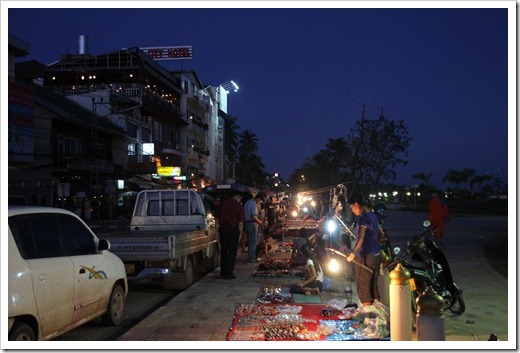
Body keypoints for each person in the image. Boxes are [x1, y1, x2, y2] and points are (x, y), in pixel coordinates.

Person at [347, 192, 384, 307]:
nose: (352, 210)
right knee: (373, 287)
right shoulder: (373, 216)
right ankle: (378, 317)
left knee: (364, 289)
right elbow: (381, 233)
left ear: (357, 204)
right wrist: (374, 244)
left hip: (365, 257)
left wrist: (353, 253)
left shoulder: (363, 219)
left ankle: (369, 319)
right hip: (376, 255)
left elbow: (361, 238)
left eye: (352, 207)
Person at [215, 192, 245, 280]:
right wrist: (239, 235)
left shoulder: (222, 204)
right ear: (237, 197)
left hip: (223, 229)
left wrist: (217, 232)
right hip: (233, 229)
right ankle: (229, 273)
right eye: (240, 198)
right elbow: (240, 223)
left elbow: (217, 219)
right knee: (232, 252)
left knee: (224, 250)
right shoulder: (238, 206)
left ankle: (223, 271)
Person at [244, 193, 264, 264]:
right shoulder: (253, 204)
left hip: (246, 223)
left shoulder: (247, 202)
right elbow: (254, 217)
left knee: (250, 242)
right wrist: (260, 222)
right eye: (260, 201)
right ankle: (251, 259)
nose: (259, 203)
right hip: (252, 224)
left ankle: (250, 258)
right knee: (253, 242)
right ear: (259, 199)